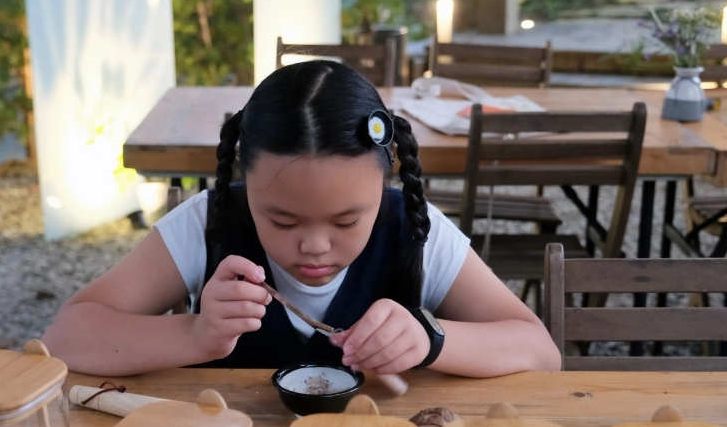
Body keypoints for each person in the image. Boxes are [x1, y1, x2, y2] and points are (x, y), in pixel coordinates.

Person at [43, 60, 561, 378]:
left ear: (383, 181)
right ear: (246, 181)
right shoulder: (211, 222)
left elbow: (539, 351)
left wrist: (431, 339)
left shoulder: (411, 227)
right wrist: (195, 334)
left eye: (347, 222)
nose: (314, 246)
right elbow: (66, 337)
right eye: (283, 222)